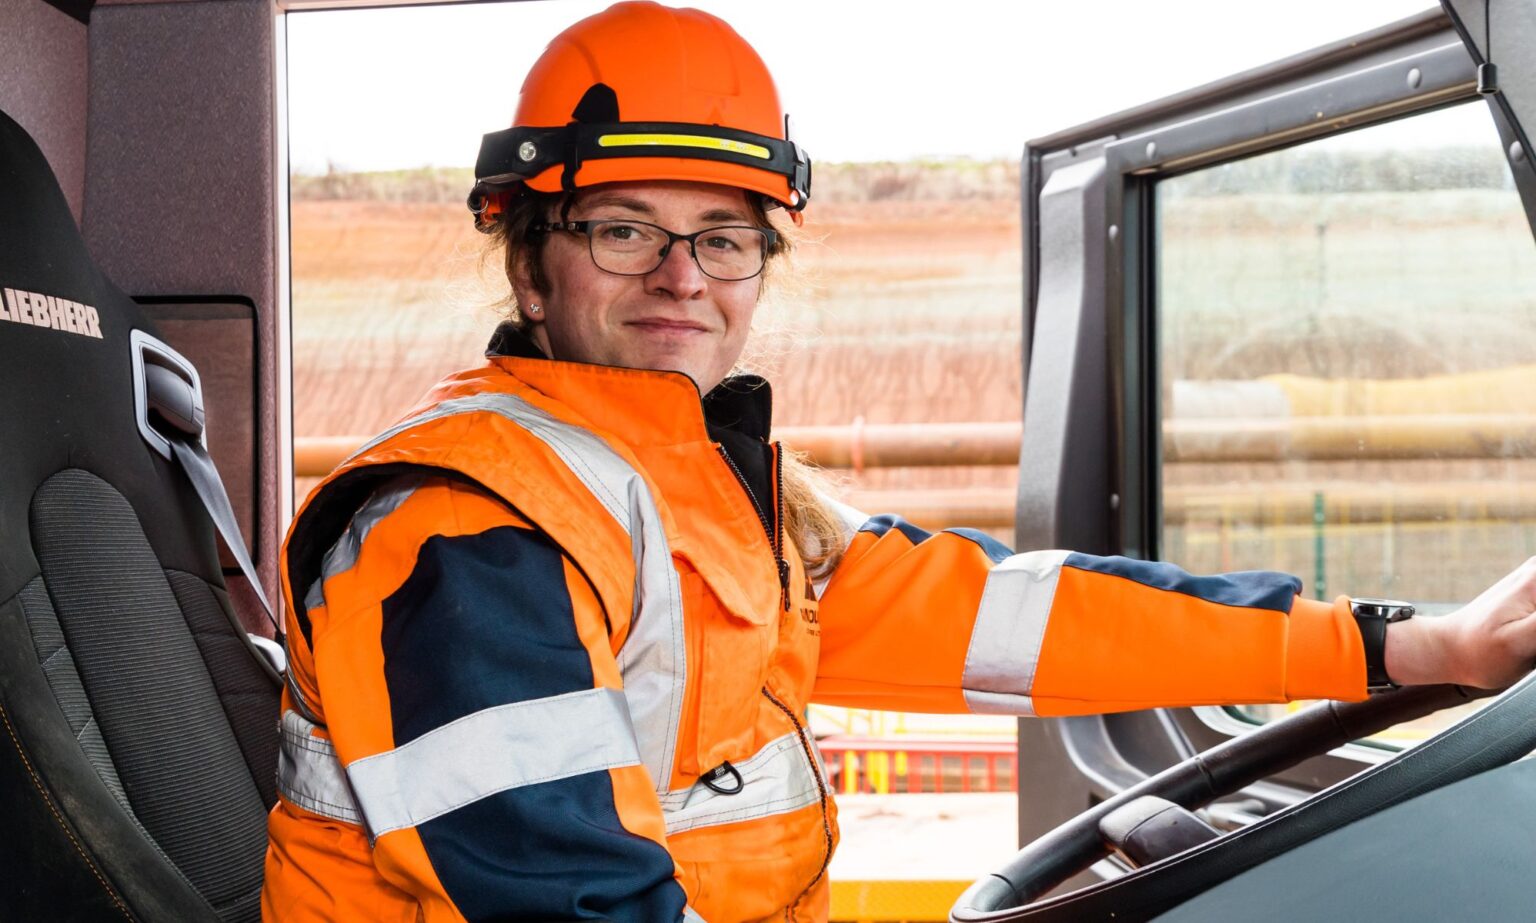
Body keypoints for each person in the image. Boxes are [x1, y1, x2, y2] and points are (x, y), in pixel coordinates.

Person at [261, 3, 1536, 921]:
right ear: (533, 259)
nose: (682, 277)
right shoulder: (460, 524)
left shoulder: (697, 490)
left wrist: (1408, 645)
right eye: (622, 229)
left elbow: (1013, 617)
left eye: (724, 239)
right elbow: (558, 890)